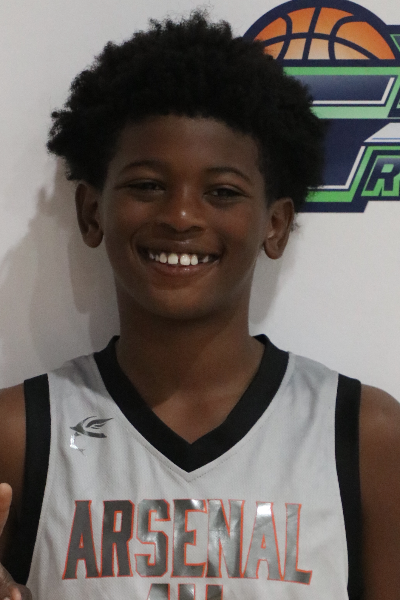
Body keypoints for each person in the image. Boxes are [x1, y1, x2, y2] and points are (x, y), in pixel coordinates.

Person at [0, 11, 399, 600]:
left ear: (275, 225)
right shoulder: (19, 433)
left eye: (222, 192)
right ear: (91, 212)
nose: (181, 216)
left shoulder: (364, 435)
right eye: (147, 185)